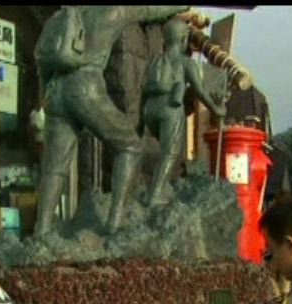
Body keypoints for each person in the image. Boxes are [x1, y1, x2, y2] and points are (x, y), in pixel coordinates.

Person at [33, 6, 190, 235]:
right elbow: (147, 10)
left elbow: (42, 63)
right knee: (130, 146)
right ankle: (115, 223)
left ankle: (42, 230)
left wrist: (45, 101)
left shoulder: (58, 17)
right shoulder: (109, 12)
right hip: (86, 85)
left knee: (54, 168)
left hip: (55, 91)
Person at [139, 16, 227, 206]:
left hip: (150, 109)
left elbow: (143, 90)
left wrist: (140, 121)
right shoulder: (186, 62)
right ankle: (156, 193)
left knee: (161, 150)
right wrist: (216, 108)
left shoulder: (155, 61)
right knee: (169, 152)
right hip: (170, 107)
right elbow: (200, 89)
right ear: (183, 39)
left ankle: (157, 188)